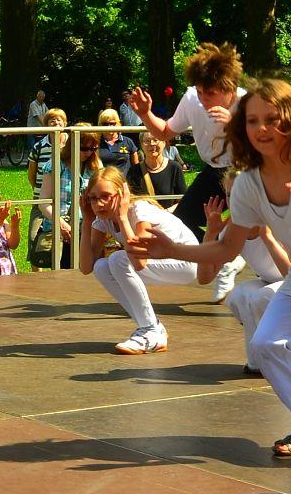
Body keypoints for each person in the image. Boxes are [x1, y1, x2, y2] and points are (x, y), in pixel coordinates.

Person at [130, 78, 291, 468]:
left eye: (272, 120)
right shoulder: (248, 183)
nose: (261, 129)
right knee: (267, 344)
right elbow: (226, 248)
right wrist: (172, 249)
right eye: (252, 121)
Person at [127, 42, 248, 301]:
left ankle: (236, 255)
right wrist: (146, 114)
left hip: (246, 171)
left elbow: (268, 144)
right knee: (183, 220)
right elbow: (164, 132)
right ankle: (227, 258)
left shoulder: (247, 103)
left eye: (210, 93)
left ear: (229, 89)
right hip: (214, 171)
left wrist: (235, 126)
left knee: (251, 226)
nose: (204, 99)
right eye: (201, 92)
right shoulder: (192, 98)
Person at [80, 168, 197, 354]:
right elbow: (86, 267)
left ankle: (150, 330)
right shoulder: (103, 218)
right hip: (160, 261)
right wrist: (87, 221)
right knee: (101, 266)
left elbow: (139, 263)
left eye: (106, 196)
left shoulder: (139, 210)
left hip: (188, 261)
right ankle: (152, 327)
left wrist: (122, 218)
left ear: (121, 194)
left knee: (118, 259)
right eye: (93, 198)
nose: (99, 203)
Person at [199, 192, 291, 378]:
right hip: (273, 282)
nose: (236, 200)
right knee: (239, 296)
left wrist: (267, 237)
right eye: (230, 195)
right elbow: (205, 277)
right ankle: (258, 361)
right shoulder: (232, 230)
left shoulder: (280, 222)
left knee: (264, 297)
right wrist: (211, 234)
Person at [35, 124, 102, 270]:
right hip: (61, 231)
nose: (88, 153)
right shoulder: (55, 164)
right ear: (72, 144)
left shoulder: (96, 167)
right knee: (64, 274)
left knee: (89, 272)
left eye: (93, 148)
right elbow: (43, 203)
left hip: (88, 229)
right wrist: (61, 224)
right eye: (84, 148)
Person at [127, 133, 186, 211]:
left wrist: (166, 212)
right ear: (141, 145)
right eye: (147, 141)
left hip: (167, 216)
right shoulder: (134, 171)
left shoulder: (174, 168)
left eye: (155, 140)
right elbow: (130, 201)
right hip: (143, 217)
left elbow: (182, 200)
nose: (152, 144)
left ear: (164, 143)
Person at [26, 108, 68, 198]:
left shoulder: (72, 143)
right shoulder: (38, 146)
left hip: (66, 197)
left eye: (59, 120)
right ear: (46, 125)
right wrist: (39, 191)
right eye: (52, 120)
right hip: (42, 196)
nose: (56, 122)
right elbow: (31, 174)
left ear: (65, 123)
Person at [96, 110, 139, 177]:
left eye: (112, 124)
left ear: (118, 124)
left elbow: (136, 167)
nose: (109, 127)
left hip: (124, 182)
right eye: (105, 124)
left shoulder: (128, 141)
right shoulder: (96, 143)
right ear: (100, 125)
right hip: (103, 181)